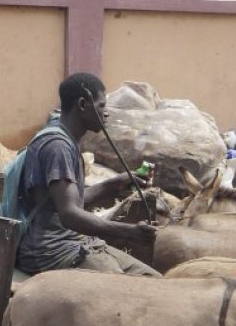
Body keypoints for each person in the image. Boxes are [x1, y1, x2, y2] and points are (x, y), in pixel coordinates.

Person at [16, 72, 158, 276]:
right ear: (83, 104)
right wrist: (129, 232)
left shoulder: (66, 140)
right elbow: (70, 215)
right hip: (51, 251)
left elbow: (71, 201)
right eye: (101, 106)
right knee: (129, 292)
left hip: (77, 242)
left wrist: (114, 184)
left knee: (153, 279)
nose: (106, 113)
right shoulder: (58, 147)